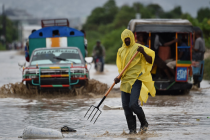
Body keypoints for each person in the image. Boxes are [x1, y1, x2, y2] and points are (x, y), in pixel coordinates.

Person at [114, 29, 156, 134]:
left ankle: (144, 123)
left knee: (133, 104)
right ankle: (132, 131)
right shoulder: (120, 51)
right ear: (122, 39)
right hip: (125, 81)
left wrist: (143, 52)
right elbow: (121, 67)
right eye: (125, 39)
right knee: (126, 106)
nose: (127, 40)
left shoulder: (138, 48)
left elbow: (150, 60)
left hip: (136, 80)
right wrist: (118, 77)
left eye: (129, 38)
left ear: (132, 38)